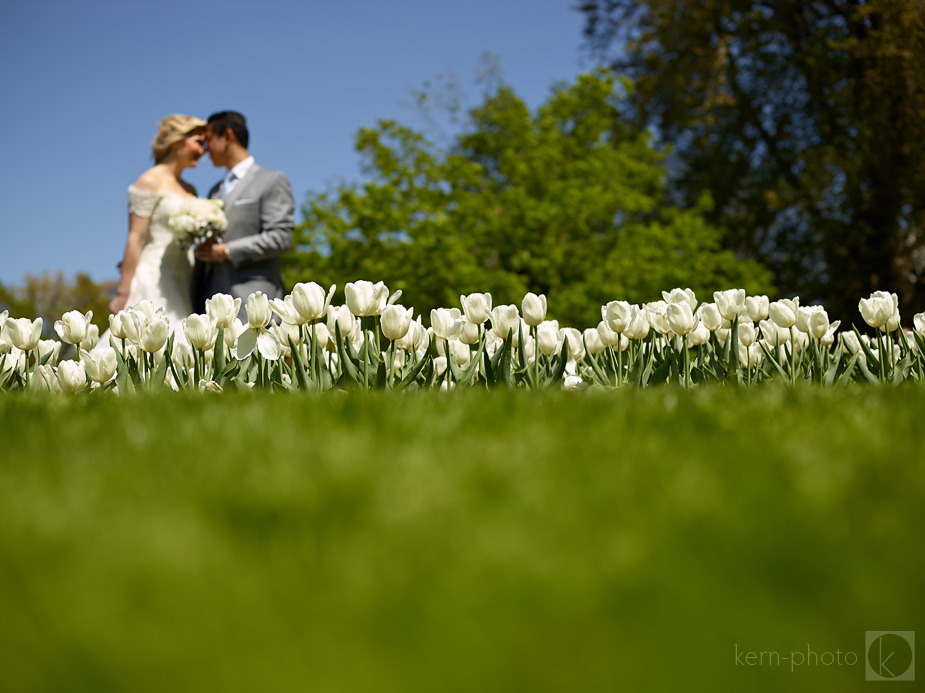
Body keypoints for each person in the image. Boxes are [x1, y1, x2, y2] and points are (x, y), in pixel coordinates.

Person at [110, 114, 207, 333]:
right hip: (154, 277)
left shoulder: (191, 190)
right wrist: (123, 292)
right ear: (178, 142)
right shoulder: (149, 180)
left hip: (185, 278)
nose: (203, 151)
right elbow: (135, 237)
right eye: (199, 142)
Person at [193, 111, 294, 319]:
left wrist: (227, 250)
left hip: (255, 302)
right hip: (214, 304)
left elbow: (281, 237)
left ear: (227, 136)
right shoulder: (214, 190)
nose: (205, 150)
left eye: (209, 140)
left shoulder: (271, 180)